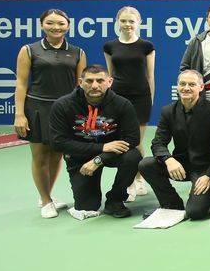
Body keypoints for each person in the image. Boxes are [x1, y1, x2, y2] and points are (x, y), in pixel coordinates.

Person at [14, 9, 87, 218]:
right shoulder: (29, 50)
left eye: (61, 23)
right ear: (42, 25)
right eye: (50, 23)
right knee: (40, 156)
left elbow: (80, 86)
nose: (56, 27)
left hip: (65, 111)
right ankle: (46, 201)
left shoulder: (78, 52)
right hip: (37, 109)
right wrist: (20, 114)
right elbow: (21, 83)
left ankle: (47, 194)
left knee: (57, 155)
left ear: (68, 26)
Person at [49, 65, 141, 219]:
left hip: (111, 154)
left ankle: (115, 199)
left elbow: (132, 139)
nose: (95, 85)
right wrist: (102, 147)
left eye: (100, 80)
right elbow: (58, 143)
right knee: (87, 206)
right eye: (89, 81)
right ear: (80, 82)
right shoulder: (63, 105)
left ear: (109, 82)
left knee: (133, 156)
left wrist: (99, 159)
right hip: (80, 156)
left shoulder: (122, 104)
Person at [139, 69, 210, 220]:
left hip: (204, 168)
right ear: (177, 86)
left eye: (192, 84)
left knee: (195, 212)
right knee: (146, 164)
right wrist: (169, 159)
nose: (186, 88)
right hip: (180, 165)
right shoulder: (168, 111)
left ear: (201, 87)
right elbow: (158, 143)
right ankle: (172, 204)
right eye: (182, 84)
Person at [103, 5, 155, 199]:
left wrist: (150, 99)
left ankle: (139, 178)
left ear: (139, 22)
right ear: (118, 22)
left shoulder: (146, 46)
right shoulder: (110, 46)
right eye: (123, 21)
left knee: (136, 142)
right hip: (117, 98)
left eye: (131, 21)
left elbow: (150, 76)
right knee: (123, 141)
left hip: (141, 98)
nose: (127, 24)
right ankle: (130, 182)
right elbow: (109, 75)